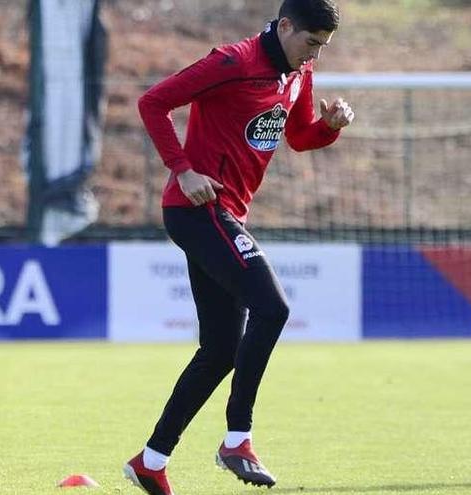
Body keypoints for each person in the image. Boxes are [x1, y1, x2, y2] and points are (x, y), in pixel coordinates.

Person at [123, 1, 353, 494]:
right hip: (197, 209)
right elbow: (153, 102)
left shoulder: (297, 73)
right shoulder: (231, 62)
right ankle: (237, 439)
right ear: (285, 25)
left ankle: (151, 459)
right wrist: (182, 170)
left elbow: (298, 137)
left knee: (221, 350)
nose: (313, 55)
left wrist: (330, 126)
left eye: (322, 48)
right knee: (273, 308)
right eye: (310, 43)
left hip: (224, 215)